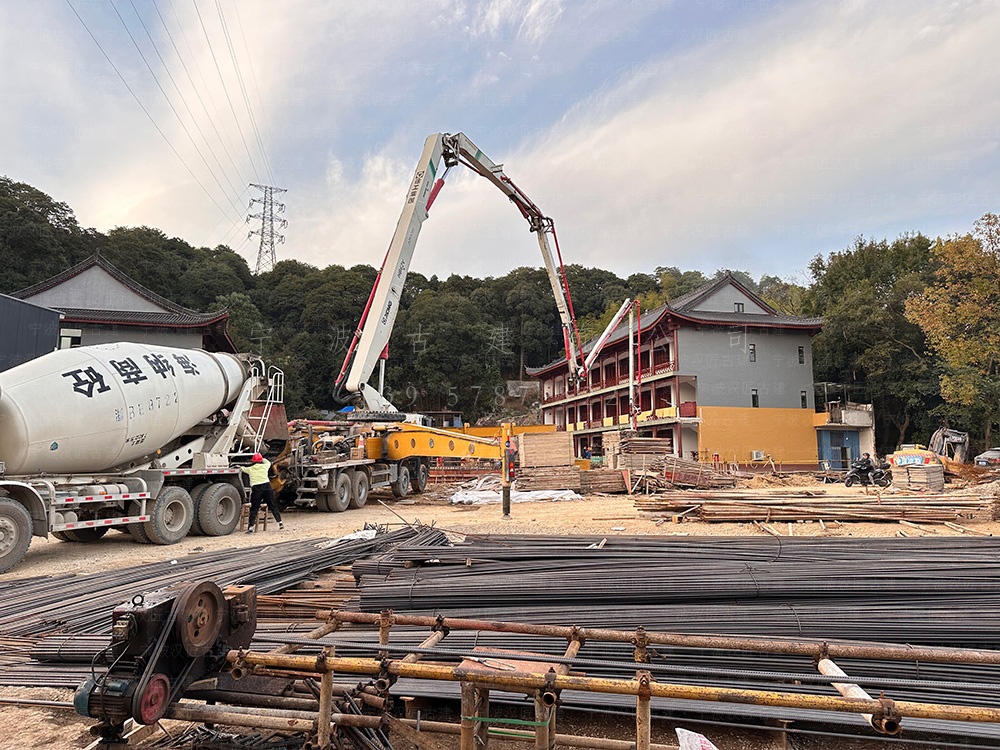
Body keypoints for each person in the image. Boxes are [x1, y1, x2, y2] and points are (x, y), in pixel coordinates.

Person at [240, 453, 283, 533]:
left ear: (253, 461)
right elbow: (268, 462)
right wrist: (261, 458)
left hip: (256, 489)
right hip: (267, 487)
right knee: (272, 505)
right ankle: (280, 522)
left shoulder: (250, 469)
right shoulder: (265, 466)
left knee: (254, 508)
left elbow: (242, 469)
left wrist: (238, 466)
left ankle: (251, 528)